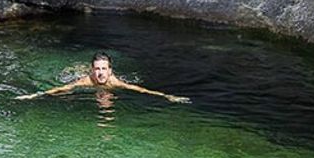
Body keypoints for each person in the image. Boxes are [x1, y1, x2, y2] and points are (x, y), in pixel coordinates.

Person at [16, 52, 188, 103]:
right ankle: (80, 67)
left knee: (105, 96)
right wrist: (34, 95)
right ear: (92, 70)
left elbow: (141, 90)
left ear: (110, 71)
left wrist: (167, 96)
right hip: (85, 79)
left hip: (108, 87)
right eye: (97, 69)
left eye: (104, 69)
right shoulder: (86, 81)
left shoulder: (115, 82)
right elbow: (61, 88)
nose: (100, 73)